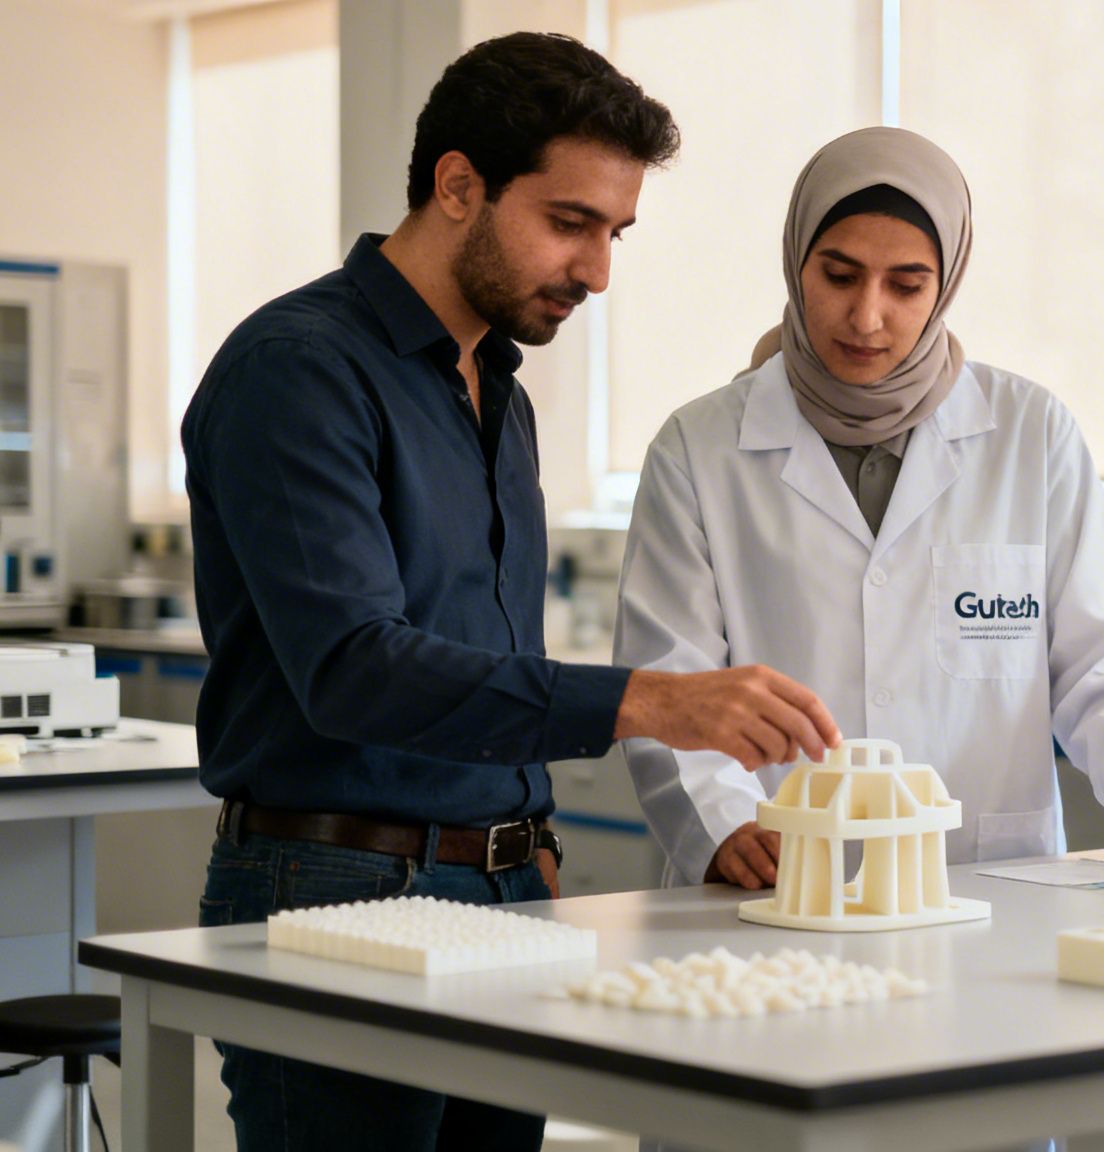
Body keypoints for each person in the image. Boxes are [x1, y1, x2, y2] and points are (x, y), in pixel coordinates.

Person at [182, 32, 838, 1151]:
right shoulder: (298, 369)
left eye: (614, 233)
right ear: (456, 186)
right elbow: (352, 670)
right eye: (569, 222)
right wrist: (643, 700)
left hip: (503, 894)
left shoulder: (501, 394)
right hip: (336, 886)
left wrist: (526, 848)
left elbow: (470, 653)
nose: (596, 270)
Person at [615, 126, 1104, 895]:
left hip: (986, 887)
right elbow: (668, 685)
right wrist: (723, 827)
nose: (866, 316)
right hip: (774, 887)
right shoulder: (699, 448)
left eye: (906, 284)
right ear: (796, 263)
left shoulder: (1030, 434)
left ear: (947, 281)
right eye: (840, 275)